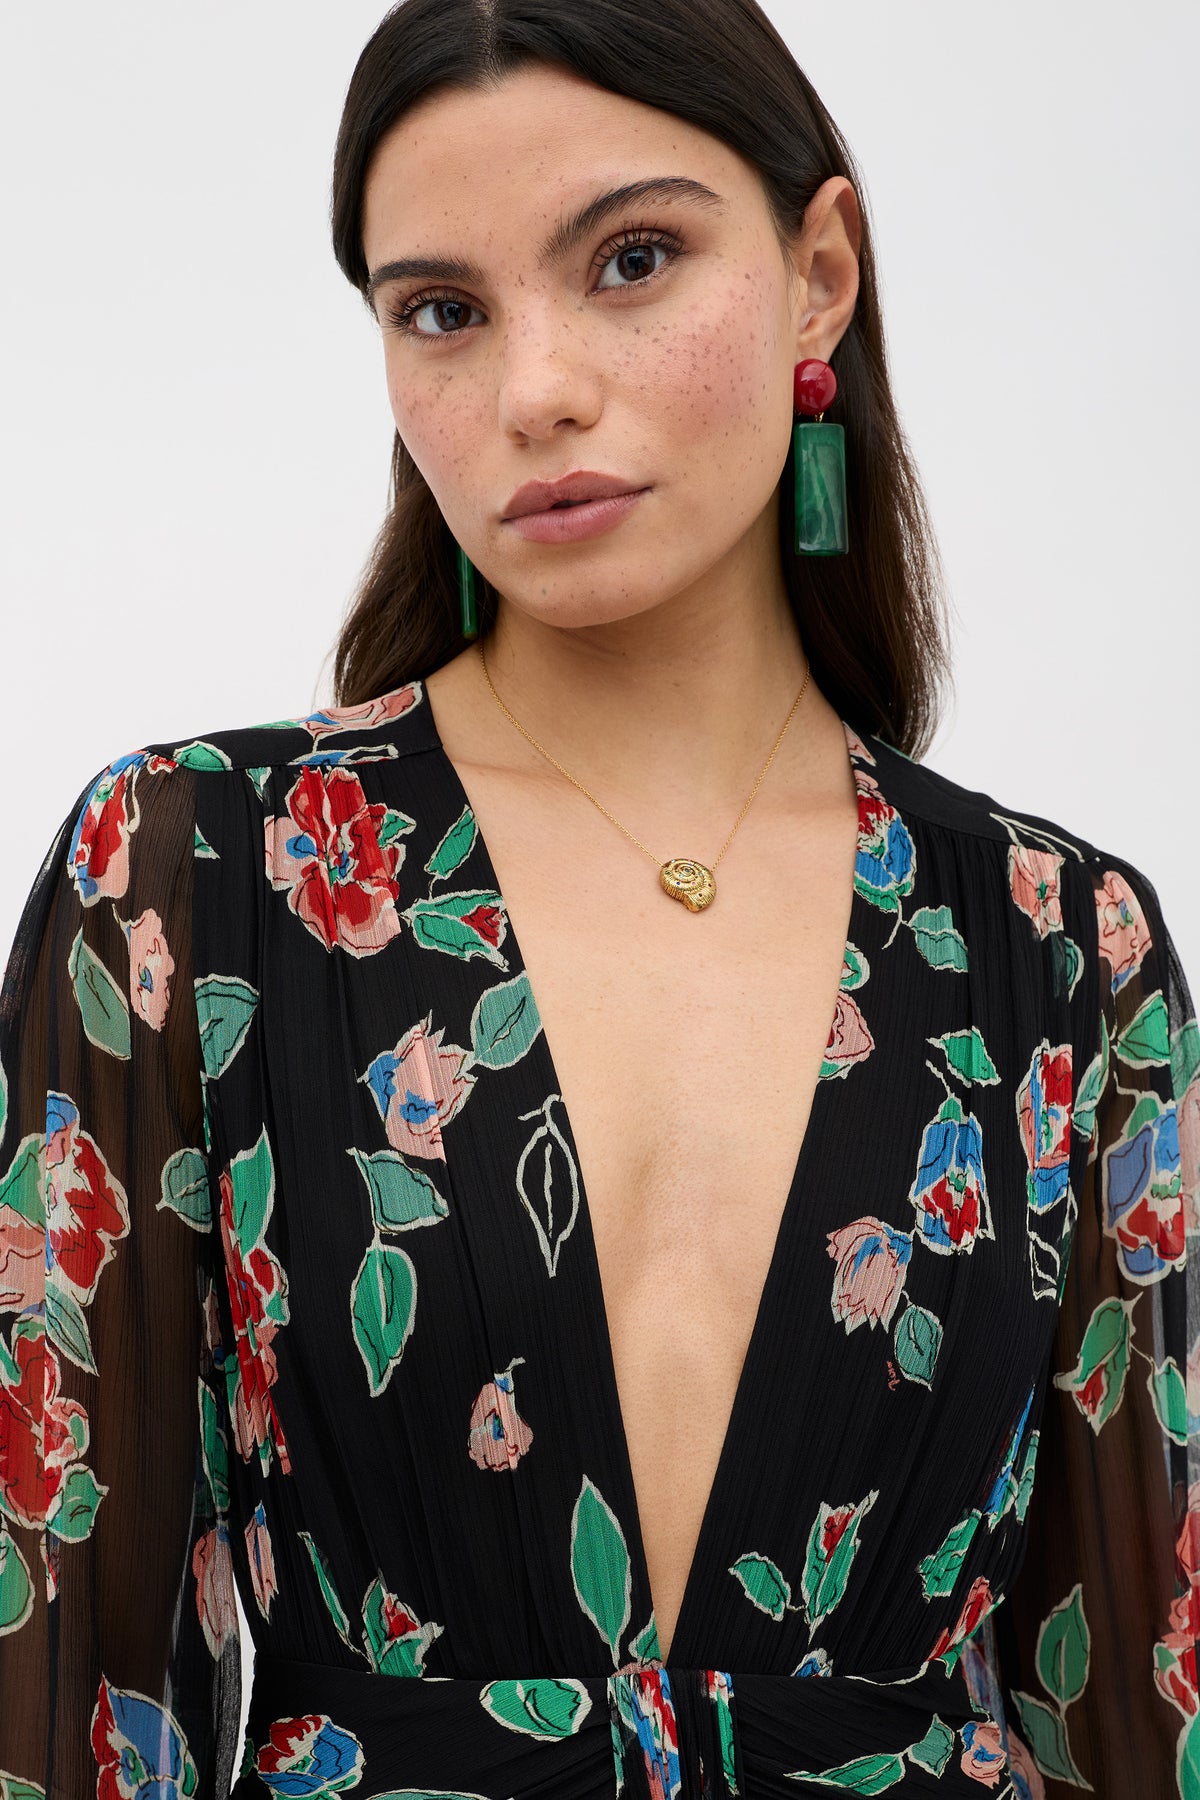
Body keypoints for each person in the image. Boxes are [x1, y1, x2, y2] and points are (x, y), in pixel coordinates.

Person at [1, 2, 1196, 1795]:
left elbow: (1135, 1705)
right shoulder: (195, 886)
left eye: (631, 259)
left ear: (819, 275)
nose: (534, 387)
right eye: (442, 311)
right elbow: (55, 1684)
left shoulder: (1058, 948)